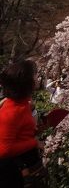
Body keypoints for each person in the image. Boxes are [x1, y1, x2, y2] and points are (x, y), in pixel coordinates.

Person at [0, 60, 47, 188]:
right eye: (34, 75)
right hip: (14, 173)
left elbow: (19, 134)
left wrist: (36, 131)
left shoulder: (24, 104)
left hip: (29, 163)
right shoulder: (11, 110)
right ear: (26, 82)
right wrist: (35, 143)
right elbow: (4, 150)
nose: (38, 78)